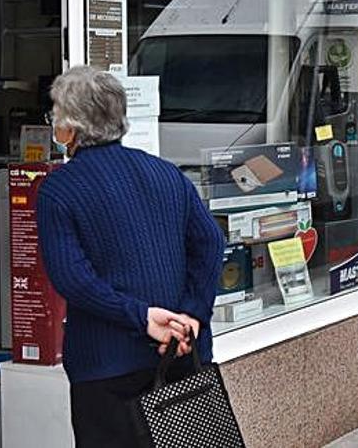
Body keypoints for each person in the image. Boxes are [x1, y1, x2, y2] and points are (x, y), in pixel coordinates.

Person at [36, 66, 226, 447]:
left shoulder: (58, 189)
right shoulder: (166, 173)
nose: (53, 125)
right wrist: (190, 316)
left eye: (55, 115)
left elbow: (73, 278)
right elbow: (211, 244)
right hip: (180, 353)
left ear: (71, 128)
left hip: (107, 364)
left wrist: (141, 317)